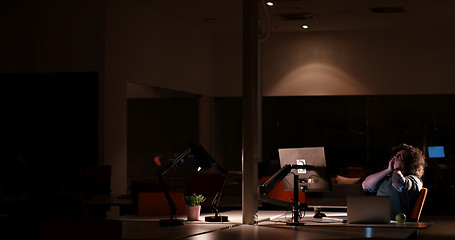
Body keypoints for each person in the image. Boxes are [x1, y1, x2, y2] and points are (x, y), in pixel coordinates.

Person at [362, 143, 426, 219]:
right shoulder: (388, 178)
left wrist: (397, 169)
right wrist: (388, 170)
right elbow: (365, 186)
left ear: (411, 162)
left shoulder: (415, 180)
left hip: (397, 223)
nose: (397, 158)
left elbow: (398, 184)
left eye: (402, 157)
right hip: (378, 220)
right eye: (396, 156)